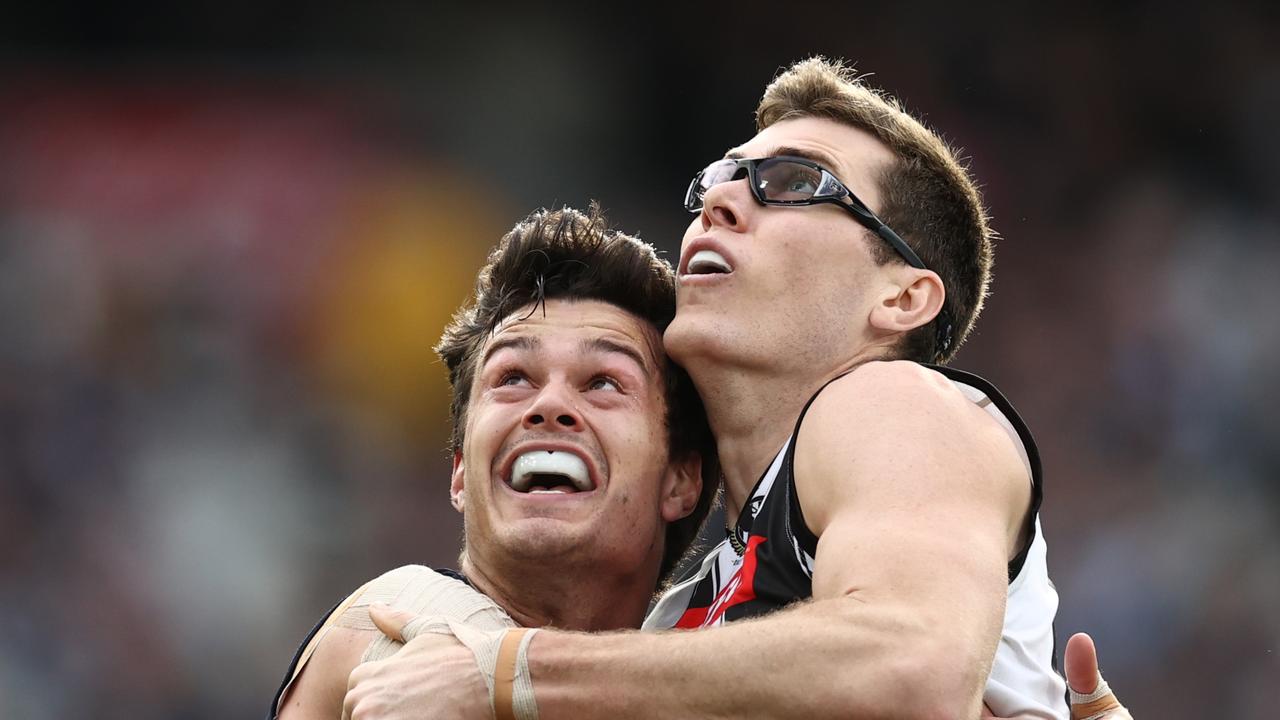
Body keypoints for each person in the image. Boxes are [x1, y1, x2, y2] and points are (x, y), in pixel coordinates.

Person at [343, 58, 1135, 720]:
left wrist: (505, 671)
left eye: (793, 182)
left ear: (900, 299)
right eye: (718, 180)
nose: (719, 200)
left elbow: (913, 665)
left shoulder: (894, 403)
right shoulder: (684, 616)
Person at [269, 206, 719, 719]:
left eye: (602, 383)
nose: (549, 405)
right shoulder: (403, 623)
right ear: (460, 469)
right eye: (512, 378)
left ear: (680, 478)